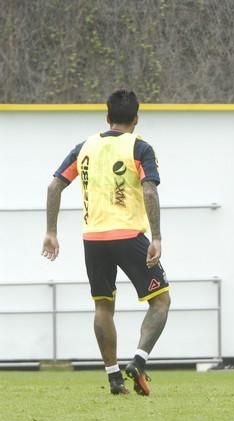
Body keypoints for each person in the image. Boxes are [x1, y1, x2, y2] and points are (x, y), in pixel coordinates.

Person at [41, 90, 170, 396]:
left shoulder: (84, 147)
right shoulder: (140, 147)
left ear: (107, 117)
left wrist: (51, 231)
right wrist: (157, 237)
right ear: (136, 119)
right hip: (128, 236)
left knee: (103, 306)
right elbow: (149, 192)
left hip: (93, 239)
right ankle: (138, 361)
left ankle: (113, 376)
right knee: (161, 301)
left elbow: (54, 185)